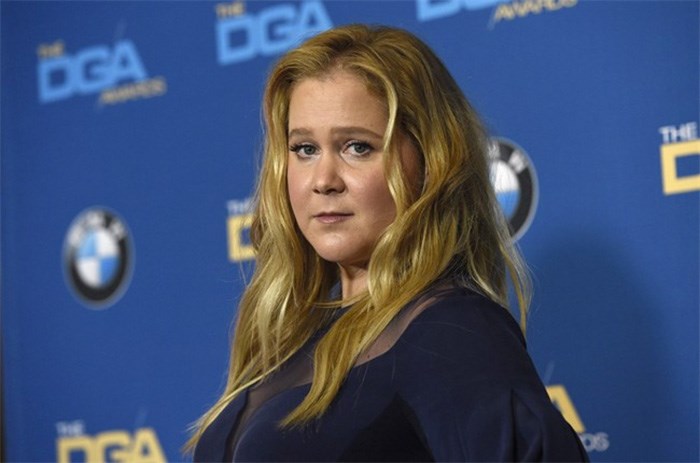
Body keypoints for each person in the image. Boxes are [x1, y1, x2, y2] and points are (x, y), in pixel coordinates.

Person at [187, 24, 588, 462]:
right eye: (304, 149)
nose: (323, 180)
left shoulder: (451, 331)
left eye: (357, 147)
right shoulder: (292, 341)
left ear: (432, 161)